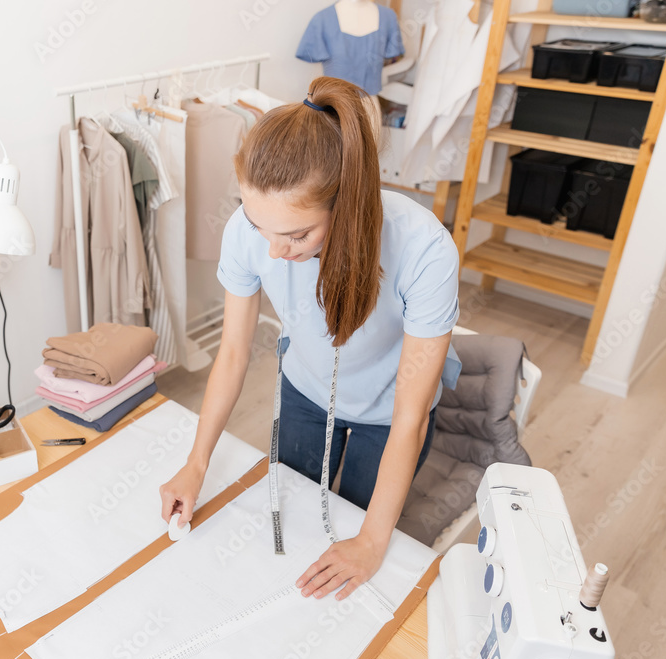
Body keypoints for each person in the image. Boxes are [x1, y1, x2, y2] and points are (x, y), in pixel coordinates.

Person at [159, 76, 461, 603]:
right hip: (304, 390)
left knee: (357, 532)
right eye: (260, 226)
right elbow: (233, 353)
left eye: (297, 235)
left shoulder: (424, 250)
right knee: (290, 522)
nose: (274, 252)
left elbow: (410, 417)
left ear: (347, 205)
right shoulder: (248, 232)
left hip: (389, 415)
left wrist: (371, 541)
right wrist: (196, 463)